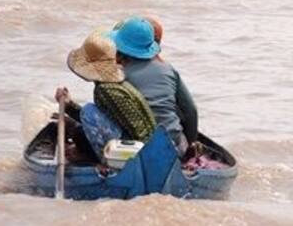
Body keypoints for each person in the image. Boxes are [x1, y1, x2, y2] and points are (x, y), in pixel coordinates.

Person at [54, 32, 158, 159]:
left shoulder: (105, 90)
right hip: (145, 145)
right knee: (84, 121)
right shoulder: (116, 85)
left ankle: (104, 160)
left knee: (88, 111)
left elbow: (138, 132)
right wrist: (69, 104)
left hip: (139, 149)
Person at [110, 16, 199, 155]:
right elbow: (191, 111)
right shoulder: (168, 69)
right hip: (174, 143)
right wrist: (191, 143)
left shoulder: (118, 75)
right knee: (174, 107)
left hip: (137, 148)